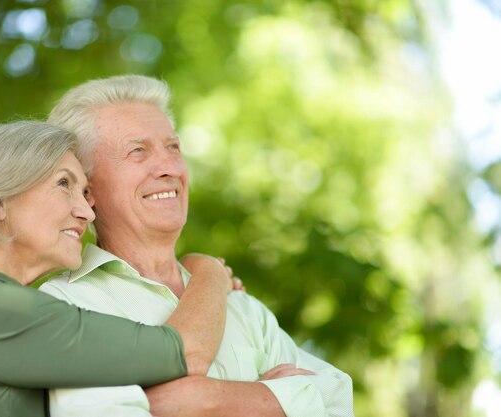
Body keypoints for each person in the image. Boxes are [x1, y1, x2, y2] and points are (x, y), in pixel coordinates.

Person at [40, 75, 355, 417]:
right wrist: (274, 398)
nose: (170, 167)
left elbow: (336, 397)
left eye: (173, 147)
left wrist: (205, 399)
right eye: (138, 151)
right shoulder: (64, 308)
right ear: (87, 190)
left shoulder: (244, 309)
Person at [0, 120, 234, 417]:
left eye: (85, 193)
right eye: (64, 184)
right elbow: (184, 351)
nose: (87, 212)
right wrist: (209, 271)